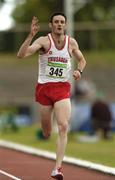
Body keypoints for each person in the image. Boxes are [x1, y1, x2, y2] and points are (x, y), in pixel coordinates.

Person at [17, 12, 86, 180]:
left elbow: (82, 60)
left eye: (62, 22)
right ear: (51, 25)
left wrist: (79, 70)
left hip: (62, 89)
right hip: (44, 89)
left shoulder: (72, 43)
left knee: (63, 126)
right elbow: (22, 54)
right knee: (47, 132)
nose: (59, 24)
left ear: (66, 25)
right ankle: (47, 133)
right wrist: (30, 36)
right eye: (56, 22)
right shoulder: (43, 41)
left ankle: (57, 169)